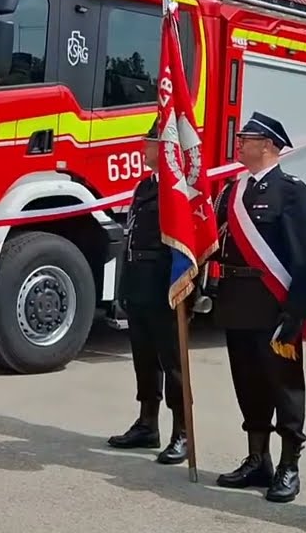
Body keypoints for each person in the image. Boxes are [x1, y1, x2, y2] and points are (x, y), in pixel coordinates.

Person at [210, 111, 306, 503]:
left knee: (285, 388)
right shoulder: (233, 192)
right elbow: (217, 243)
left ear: (269, 146)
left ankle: (289, 465)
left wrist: (296, 313)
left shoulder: (292, 192)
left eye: (246, 138)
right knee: (248, 384)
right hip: (237, 303)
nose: (239, 143)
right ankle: (258, 459)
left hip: (274, 306)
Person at [106, 117, 188, 465]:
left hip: (162, 285)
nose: (144, 148)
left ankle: (182, 431)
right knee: (144, 358)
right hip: (139, 282)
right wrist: (124, 287)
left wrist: (182, 289)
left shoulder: (177, 189)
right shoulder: (144, 187)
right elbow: (131, 239)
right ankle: (147, 423)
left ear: (165, 148)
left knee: (173, 363)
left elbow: (183, 245)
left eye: (149, 143)